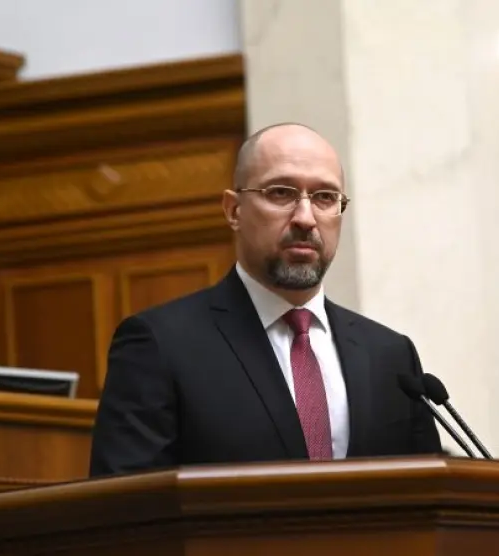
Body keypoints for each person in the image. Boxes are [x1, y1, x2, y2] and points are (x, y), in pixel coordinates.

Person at [89, 123, 441, 477]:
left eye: (324, 197)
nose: (306, 218)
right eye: (281, 193)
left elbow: (429, 495)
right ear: (234, 210)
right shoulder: (160, 346)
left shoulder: (390, 356)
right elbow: (125, 500)